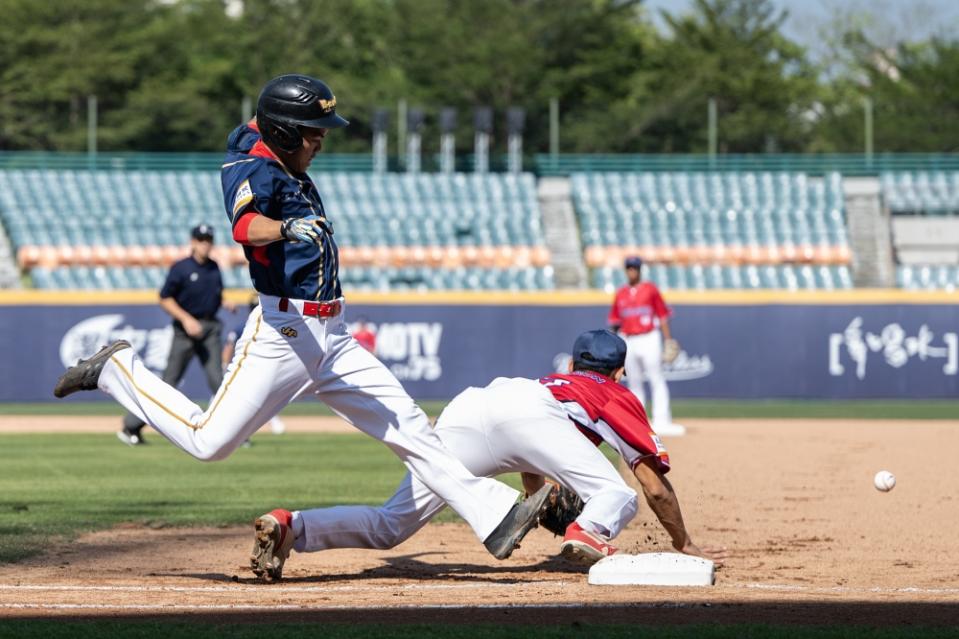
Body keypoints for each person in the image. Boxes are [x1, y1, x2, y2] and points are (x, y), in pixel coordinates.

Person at [53, 73, 551, 581]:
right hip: (284, 335)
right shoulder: (252, 169)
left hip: (332, 334)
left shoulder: (264, 144)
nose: (321, 140)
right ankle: (116, 369)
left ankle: (494, 515)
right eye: (313, 132)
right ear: (285, 133)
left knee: (409, 426)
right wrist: (286, 227)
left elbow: (250, 128)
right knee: (209, 443)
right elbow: (245, 229)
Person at [264, 329, 727, 568]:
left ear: (571, 363)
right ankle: (587, 532)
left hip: (472, 407)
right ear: (620, 372)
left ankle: (294, 526)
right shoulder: (615, 393)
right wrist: (682, 542)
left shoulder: (555, 380)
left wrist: (537, 497)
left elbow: (528, 448)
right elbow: (654, 486)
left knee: (392, 524)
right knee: (619, 493)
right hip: (530, 419)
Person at [117, 224, 229, 446]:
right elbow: (165, 298)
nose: (205, 244)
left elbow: (212, 295)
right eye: (201, 240)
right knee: (168, 385)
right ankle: (131, 426)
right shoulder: (181, 268)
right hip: (185, 331)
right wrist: (186, 319)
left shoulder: (214, 268)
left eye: (208, 240)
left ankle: (233, 433)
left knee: (219, 380)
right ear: (193, 242)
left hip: (209, 329)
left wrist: (225, 302)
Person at [609, 256, 685, 437]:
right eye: (629, 268)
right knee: (634, 382)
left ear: (640, 270)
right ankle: (638, 422)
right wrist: (614, 344)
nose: (632, 271)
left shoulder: (650, 289)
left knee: (656, 378)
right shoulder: (621, 293)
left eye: (634, 268)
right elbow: (615, 321)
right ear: (626, 270)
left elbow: (662, 316)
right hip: (628, 338)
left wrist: (668, 339)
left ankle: (662, 420)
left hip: (649, 336)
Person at [222, 296, 285, 435]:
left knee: (264, 396)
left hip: (261, 365)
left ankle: (273, 421)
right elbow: (229, 346)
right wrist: (224, 365)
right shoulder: (243, 326)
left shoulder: (272, 327)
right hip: (245, 365)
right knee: (232, 396)